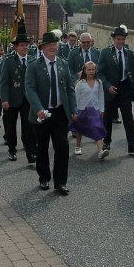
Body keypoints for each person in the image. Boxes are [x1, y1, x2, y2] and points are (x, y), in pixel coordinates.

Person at [25, 31, 78, 195]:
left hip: (60, 113)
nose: (53, 48)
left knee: (62, 147)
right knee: (42, 148)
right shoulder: (34, 65)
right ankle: (44, 178)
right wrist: (38, 108)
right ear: (42, 48)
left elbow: (70, 89)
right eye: (49, 45)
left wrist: (74, 110)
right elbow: (30, 89)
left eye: (55, 45)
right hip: (41, 115)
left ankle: (60, 182)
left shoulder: (63, 63)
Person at [97, 25, 134, 155]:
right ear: (113, 39)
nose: (121, 41)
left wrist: (133, 87)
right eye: (118, 39)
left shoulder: (129, 54)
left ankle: (132, 144)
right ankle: (106, 142)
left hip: (124, 89)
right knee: (108, 117)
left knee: (128, 117)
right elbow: (100, 73)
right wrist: (107, 86)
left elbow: (132, 72)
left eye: (123, 39)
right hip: (111, 89)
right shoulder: (105, 53)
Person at [0, 31, 37, 163]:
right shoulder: (8, 60)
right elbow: (3, 81)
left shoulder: (32, 60)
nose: (25, 47)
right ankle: (12, 150)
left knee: (29, 126)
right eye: (22, 45)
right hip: (12, 99)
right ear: (16, 47)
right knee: (10, 127)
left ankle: (31, 152)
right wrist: (4, 99)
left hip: (28, 99)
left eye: (26, 45)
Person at [72, 61, 109, 159]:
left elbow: (101, 97)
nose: (91, 71)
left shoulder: (99, 82)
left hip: (95, 110)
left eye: (93, 69)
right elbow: (75, 98)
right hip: (82, 109)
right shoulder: (80, 84)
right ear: (84, 70)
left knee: (97, 127)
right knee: (79, 129)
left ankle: (100, 151)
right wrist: (75, 111)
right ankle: (78, 146)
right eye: (89, 69)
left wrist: (102, 109)